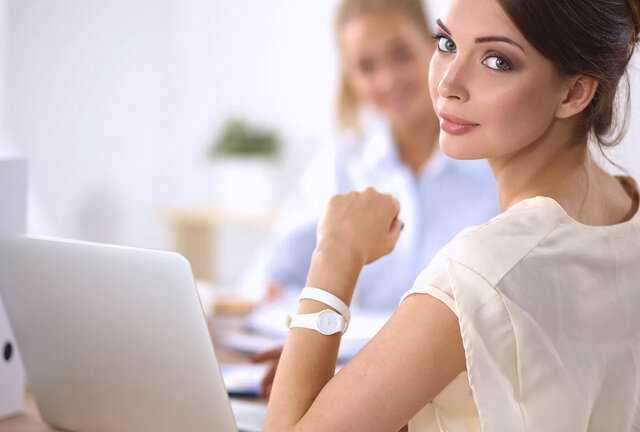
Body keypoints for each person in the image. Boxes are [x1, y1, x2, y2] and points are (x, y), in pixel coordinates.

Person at [262, 0, 640, 430]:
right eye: (446, 44)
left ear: (574, 93)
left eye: (497, 61)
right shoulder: (627, 213)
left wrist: (335, 254)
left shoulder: (477, 274)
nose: (448, 84)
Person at [246, 0, 499, 397]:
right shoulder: (341, 162)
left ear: (436, 49)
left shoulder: (495, 166)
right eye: (366, 67)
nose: (388, 80)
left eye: (401, 55)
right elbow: (266, 281)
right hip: (351, 380)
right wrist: (307, 346)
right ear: (350, 79)